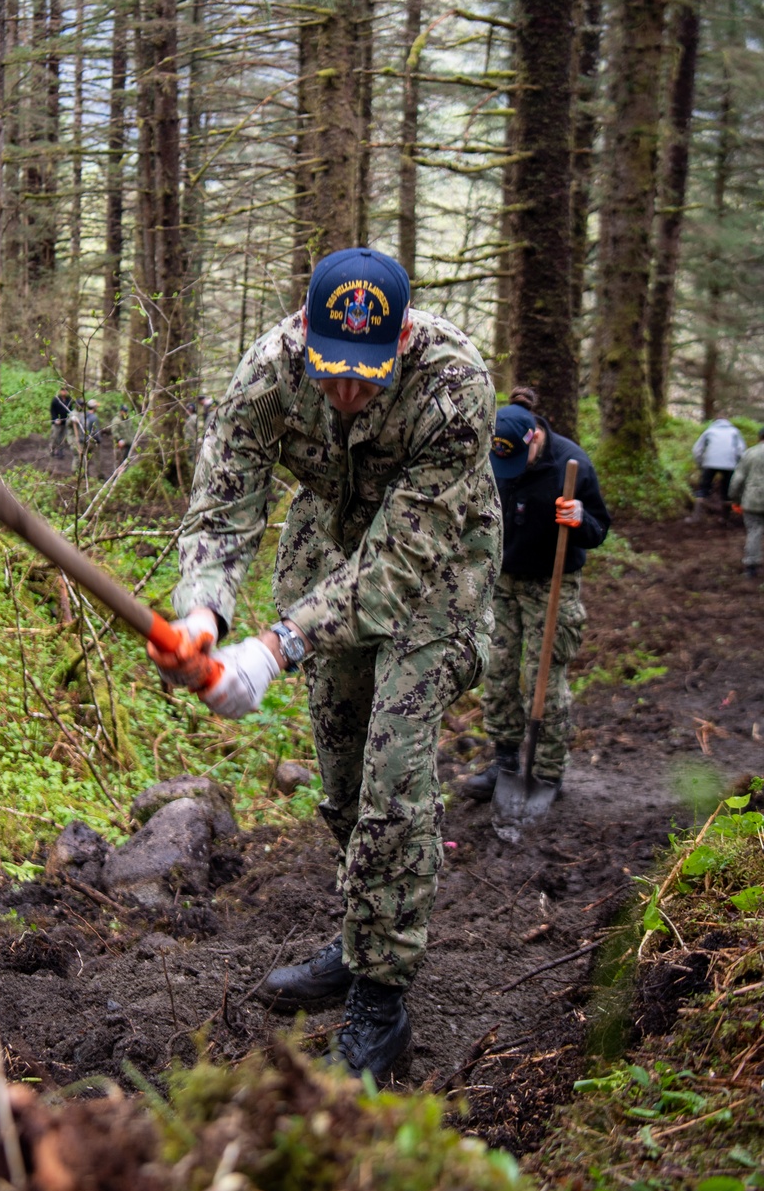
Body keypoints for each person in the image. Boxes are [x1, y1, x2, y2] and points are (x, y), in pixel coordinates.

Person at [146, 246, 501, 1080]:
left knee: (394, 770)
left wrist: (273, 650)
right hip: (326, 545)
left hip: (437, 565)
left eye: (367, 373)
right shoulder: (268, 371)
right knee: (342, 778)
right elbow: (225, 503)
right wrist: (205, 612)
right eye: (330, 371)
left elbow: (398, 565)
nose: (347, 392)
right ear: (303, 333)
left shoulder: (455, 389)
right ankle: (359, 935)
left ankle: (381, 999)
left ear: (404, 336)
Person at [463, 386, 611, 804]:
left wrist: (580, 519)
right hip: (502, 578)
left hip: (552, 580)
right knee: (500, 669)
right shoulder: (492, 455)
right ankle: (505, 762)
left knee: (545, 677)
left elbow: (600, 527)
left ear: (536, 439)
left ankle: (547, 773)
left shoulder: (572, 464)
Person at [691, 416, 746, 520]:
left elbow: (697, 450)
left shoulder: (709, 431)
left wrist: (701, 464)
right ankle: (725, 518)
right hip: (730, 464)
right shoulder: (734, 431)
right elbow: (741, 450)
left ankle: (696, 517)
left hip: (710, 463)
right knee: (727, 491)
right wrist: (738, 465)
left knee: (703, 489)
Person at [728, 425, 764, 579]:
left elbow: (738, 479)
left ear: (759, 437)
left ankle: (751, 567)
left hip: (752, 500)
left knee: (754, 531)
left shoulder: (750, 453)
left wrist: (735, 498)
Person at [49, 386, 72, 458]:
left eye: (65, 390)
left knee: (62, 438)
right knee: (54, 437)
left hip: (65, 422)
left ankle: (60, 451)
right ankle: (52, 450)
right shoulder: (56, 399)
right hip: (56, 422)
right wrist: (55, 419)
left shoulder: (69, 400)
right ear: (60, 391)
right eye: (63, 390)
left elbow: (70, 410)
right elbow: (52, 411)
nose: (64, 392)